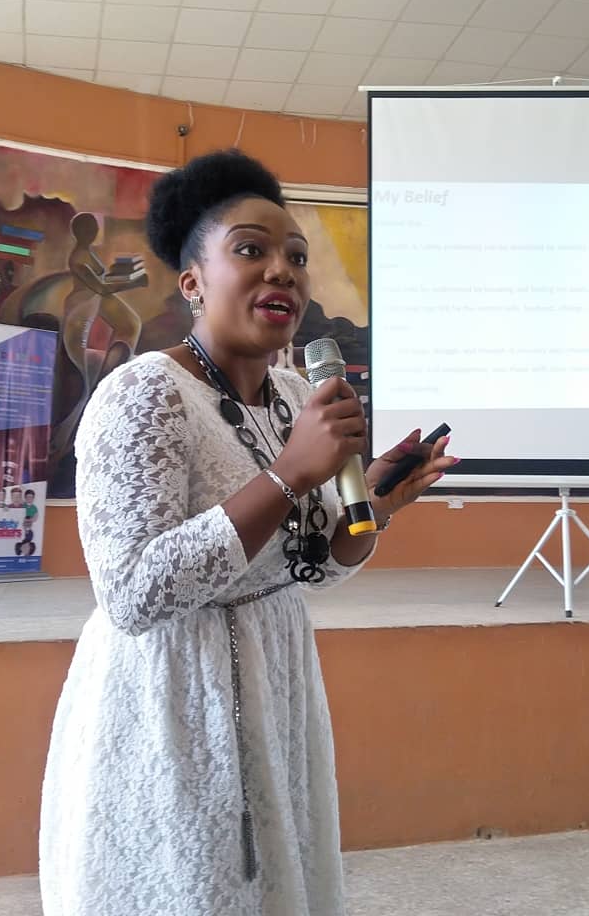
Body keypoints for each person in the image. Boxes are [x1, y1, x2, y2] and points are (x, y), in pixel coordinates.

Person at [39, 150, 455, 916]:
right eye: (251, 250)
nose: (283, 271)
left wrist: (372, 503)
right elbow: (133, 594)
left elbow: (311, 565)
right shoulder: (142, 396)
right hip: (175, 702)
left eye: (296, 256)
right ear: (193, 281)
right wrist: (290, 474)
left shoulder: (297, 394)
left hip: (277, 682)